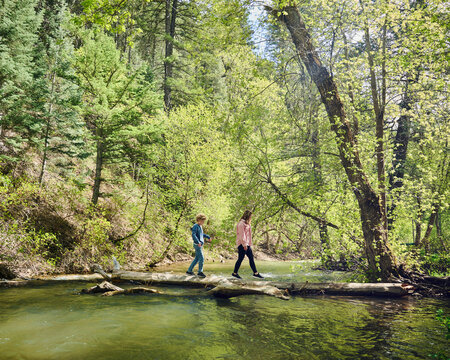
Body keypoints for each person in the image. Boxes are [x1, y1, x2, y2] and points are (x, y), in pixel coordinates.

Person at [232, 210, 263, 279]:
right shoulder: (241, 224)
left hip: (247, 244)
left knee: (251, 258)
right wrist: (244, 244)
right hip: (242, 244)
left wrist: (249, 244)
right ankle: (235, 273)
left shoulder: (247, 224)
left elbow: (248, 235)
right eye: (250, 216)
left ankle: (255, 273)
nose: (251, 218)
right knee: (240, 259)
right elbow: (242, 235)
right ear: (247, 216)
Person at [186, 213, 211, 278]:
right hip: (197, 244)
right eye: (202, 221)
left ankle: (189, 270)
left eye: (204, 221)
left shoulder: (200, 226)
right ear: (198, 220)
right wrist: (198, 242)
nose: (203, 222)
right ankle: (200, 272)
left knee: (197, 258)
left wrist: (208, 237)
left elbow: (201, 234)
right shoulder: (195, 226)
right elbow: (193, 234)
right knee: (201, 258)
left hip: (200, 244)